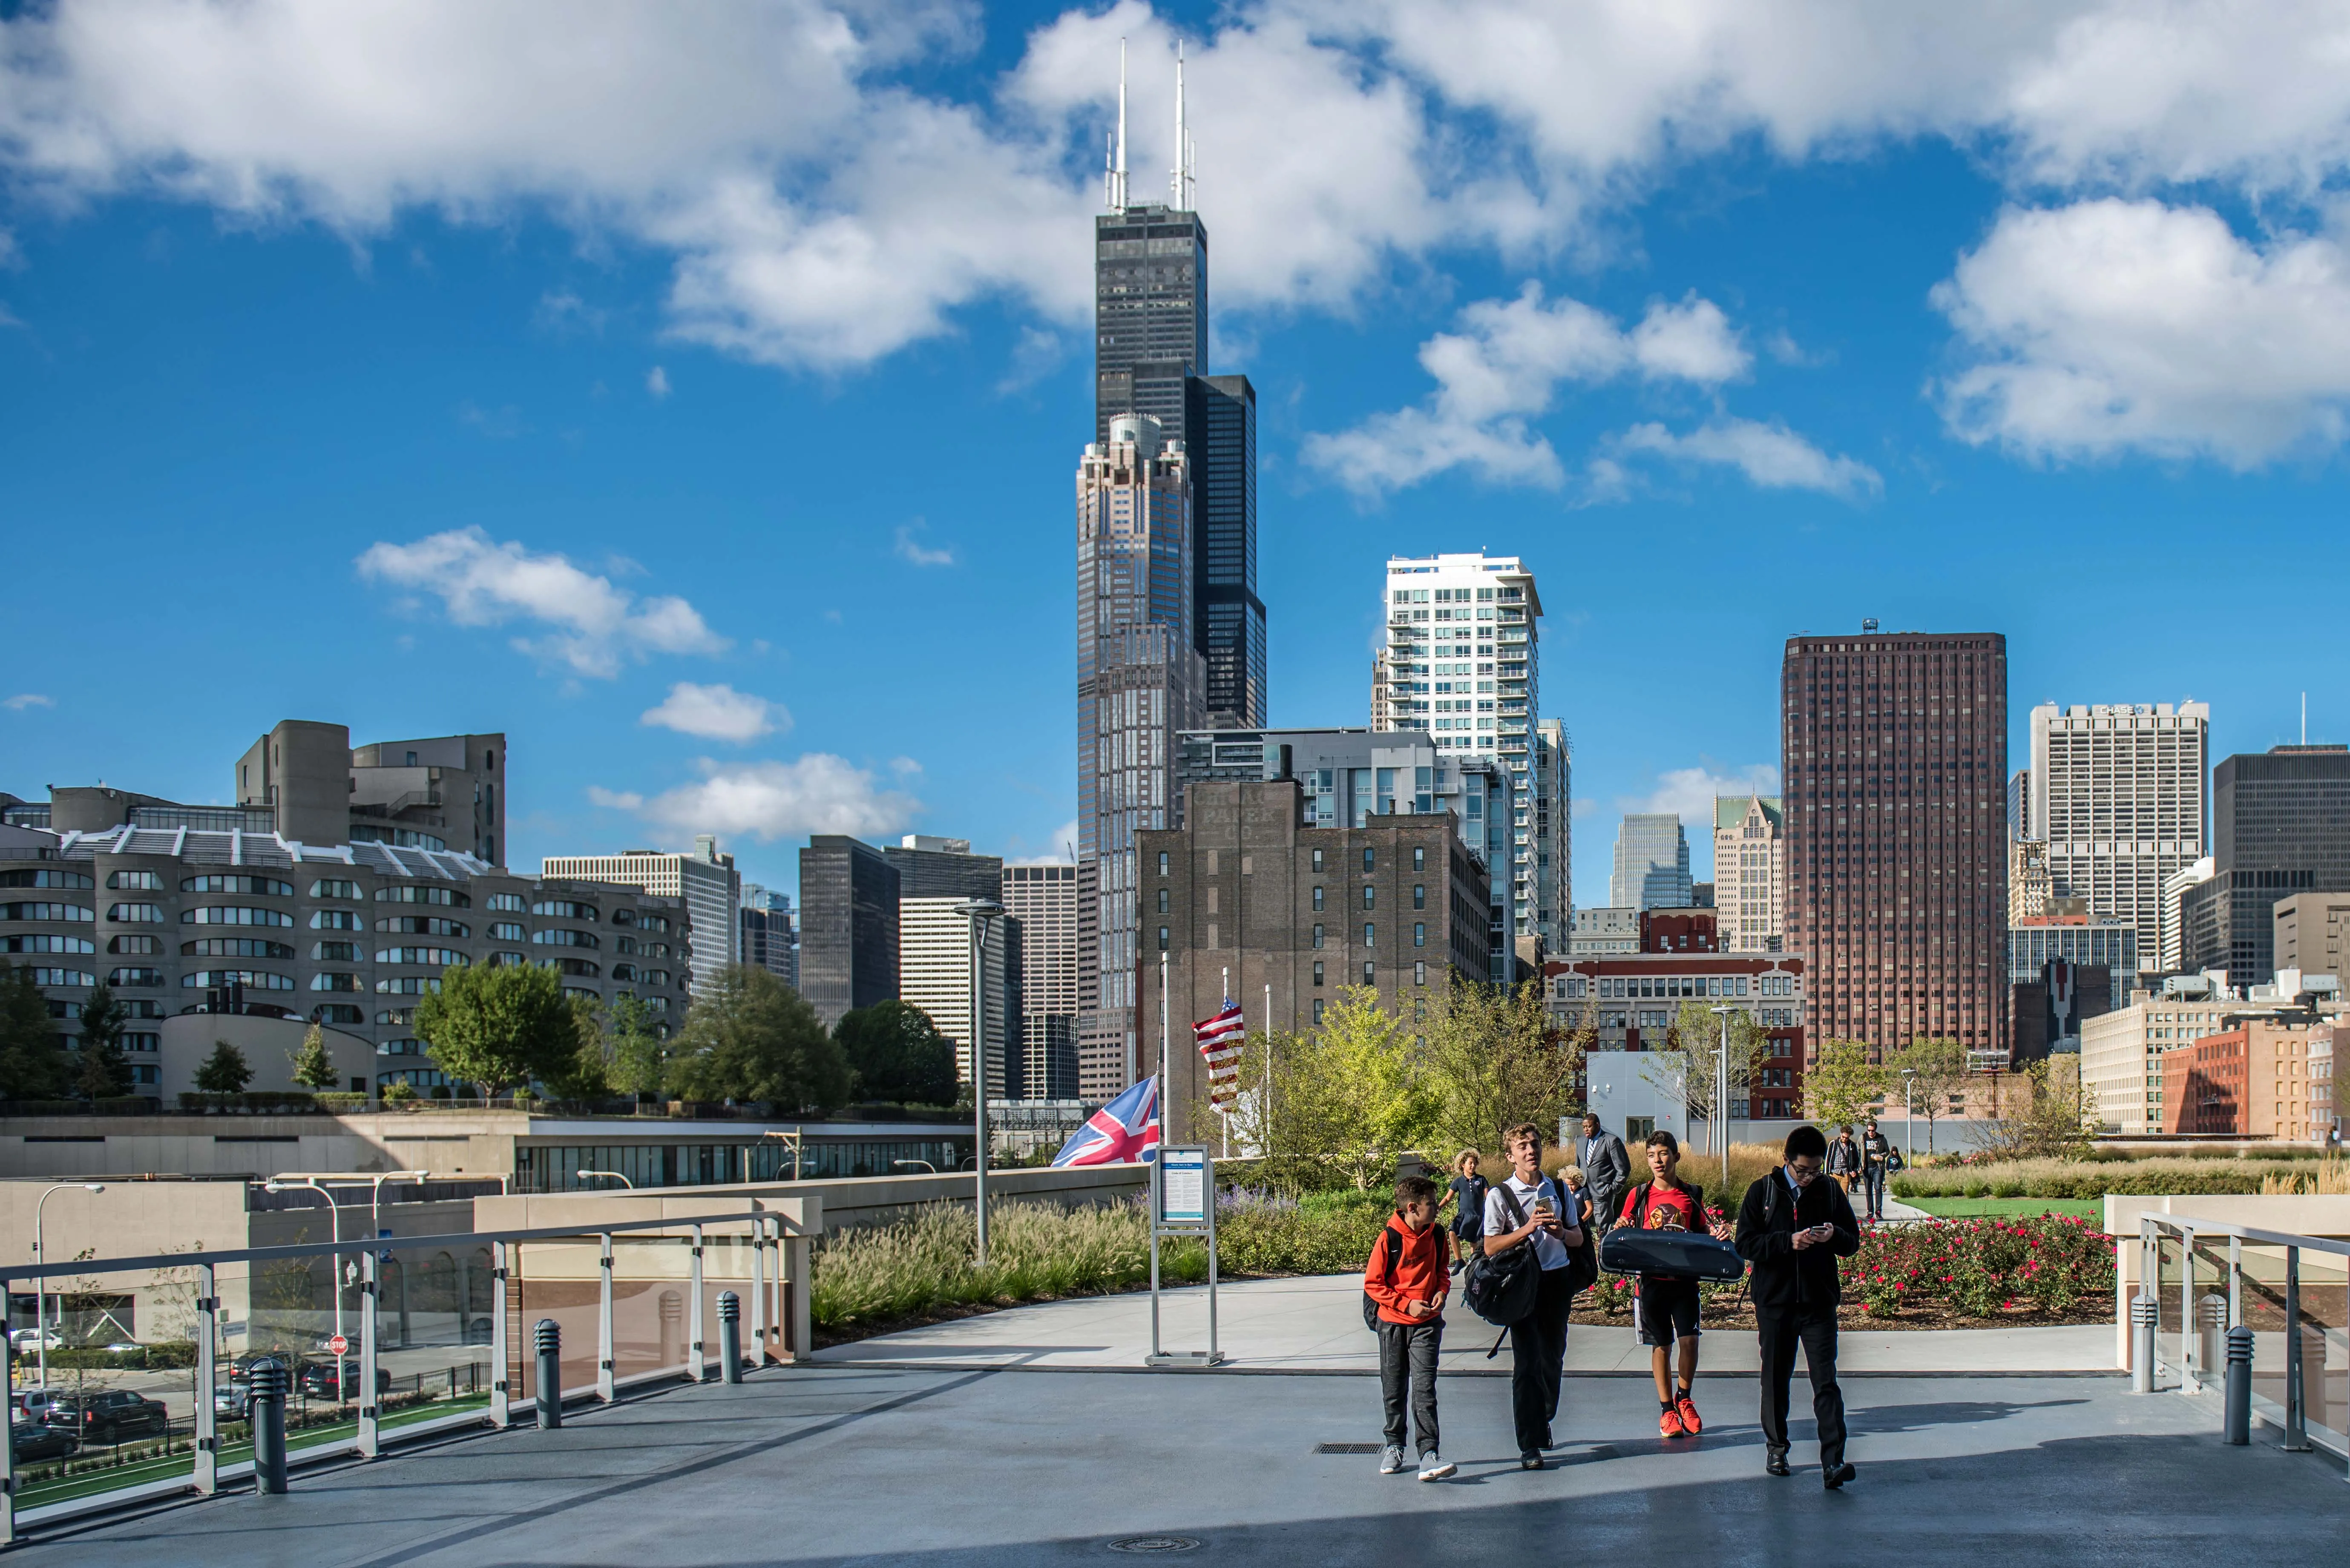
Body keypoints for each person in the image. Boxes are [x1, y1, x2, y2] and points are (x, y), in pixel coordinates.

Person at [1734, 1124, 1861, 1488]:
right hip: (1775, 1301)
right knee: (1775, 1378)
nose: (1808, 1178)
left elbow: (1851, 1241)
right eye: (1801, 1170)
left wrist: (1832, 1235)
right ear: (1785, 1160)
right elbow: (1745, 1244)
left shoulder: (1830, 1191)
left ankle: (1833, 1462)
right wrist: (1786, 1242)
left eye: (1815, 1170)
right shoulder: (1762, 1191)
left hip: (1818, 1301)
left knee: (1826, 1382)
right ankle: (1777, 1448)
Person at [1619, 1129, 1734, 1439]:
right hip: (1652, 1283)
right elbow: (1624, 1230)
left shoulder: (1691, 1193)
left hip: (1684, 1282)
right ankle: (1667, 1410)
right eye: (1651, 1155)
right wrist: (1622, 1225)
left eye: (1663, 1154)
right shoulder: (1638, 1195)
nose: (1658, 1161)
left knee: (1690, 1342)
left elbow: (1704, 1233)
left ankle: (1684, 1398)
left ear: (1676, 1156)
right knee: (1661, 1346)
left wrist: (1719, 1234)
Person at [1483, 1122, 1583, 1470]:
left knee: (1552, 1358)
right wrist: (1526, 1229)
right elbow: (1490, 1246)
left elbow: (1578, 1239)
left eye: (1535, 1144)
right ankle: (1529, 1445)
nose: (1530, 1151)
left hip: (1557, 1282)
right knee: (1526, 1365)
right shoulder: (1499, 1195)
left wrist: (1559, 1230)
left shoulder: (1558, 1189)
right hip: (1522, 1286)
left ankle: (1544, 1417)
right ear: (1511, 1156)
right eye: (1522, 1146)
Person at [1365, 1174, 1455, 1481]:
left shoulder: (1437, 1235)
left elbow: (1442, 1270)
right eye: (1432, 1204)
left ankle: (1429, 1454)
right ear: (1413, 1207)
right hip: (1392, 1324)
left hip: (1427, 1325)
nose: (1437, 1208)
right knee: (1393, 1389)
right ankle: (1394, 1445)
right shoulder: (1387, 1240)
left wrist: (1442, 1291)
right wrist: (1406, 1305)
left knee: (1424, 1390)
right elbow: (1373, 1284)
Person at [1576, 1114, 1631, 1236]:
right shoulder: (1580, 1141)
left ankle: (1602, 1254)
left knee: (1602, 1232)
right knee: (1581, 1229)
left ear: (1597, 1125)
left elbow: (1624, 1169)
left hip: (1602, 1194)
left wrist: (1612, 1190)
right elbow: (1578, 1167)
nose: (1585, 1129)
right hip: (1582, 1194)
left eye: (1589, 1126)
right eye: (1584, 1127)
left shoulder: (1611, 1141)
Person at [1441, 1149, 1488, 1274]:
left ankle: (1472, 1269)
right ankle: (1459, 1261)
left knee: (1474, 1243)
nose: (1473, 1166)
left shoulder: (1482, 1179)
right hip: (1463, 1215)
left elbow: (1489, 1198)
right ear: (1463, 1165)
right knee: (1452, 1233)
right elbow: (1447, 1198)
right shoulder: (1458, 1182)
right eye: (1470, 1163)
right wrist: (1438, 1207)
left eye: (1475, 1163)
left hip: (1478, 1216)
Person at [1859, 1118, 1894, 1222]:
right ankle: (1870, 1212)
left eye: (1873, 1131)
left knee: (1878, 1188)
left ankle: (1878, 1212)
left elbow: (1887, 1151)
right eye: (1869, 1130)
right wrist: (1859, 1165)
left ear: (1876, 1130)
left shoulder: (1881, 1139)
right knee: (1868, 1190)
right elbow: (1858, 1151)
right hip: (1866, 1167)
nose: (1871, 1133)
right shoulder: (1863, 1138)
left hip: (1877, 1167)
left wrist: (1881, 1156)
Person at [1826, 1126, 1861, 1195]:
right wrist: (1827, 1174)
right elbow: (1828, 1159)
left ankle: (1845, 1207)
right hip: (1834, 1173)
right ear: (1841, 1134)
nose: (1845, 1139)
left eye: (1847, 1138)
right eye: (1843, 1137)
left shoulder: (1852, 1145)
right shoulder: (1833, 1144)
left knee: (1844, 1194)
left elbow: (1857, 1159)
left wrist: (1854, 1170)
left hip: (1846, 1173)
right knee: (1833, 1194)